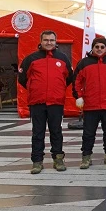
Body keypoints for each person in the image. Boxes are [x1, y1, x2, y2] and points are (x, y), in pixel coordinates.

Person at [18, 30, 73, 174]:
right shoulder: (31, 59)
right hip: (37, 102)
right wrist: (34, 89)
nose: (49, 43)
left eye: (52, 40)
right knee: (37, 133)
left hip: (56, 102)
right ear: (40, 41)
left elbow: (68, 78)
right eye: (46, 40)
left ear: (56, 42)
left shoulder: (63, 58)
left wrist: (58, 89)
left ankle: (58, 159)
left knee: (56, 131)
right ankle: (37, 162)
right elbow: (22, 78)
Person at [73, 37, 106, 169]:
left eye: (102, 47)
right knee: (88, 133)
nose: (99, 49)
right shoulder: (84, 63)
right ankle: (86, 157)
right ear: (93, 48)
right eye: (97, 47)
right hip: (90, 106)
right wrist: (78, 96)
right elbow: (76, 82)